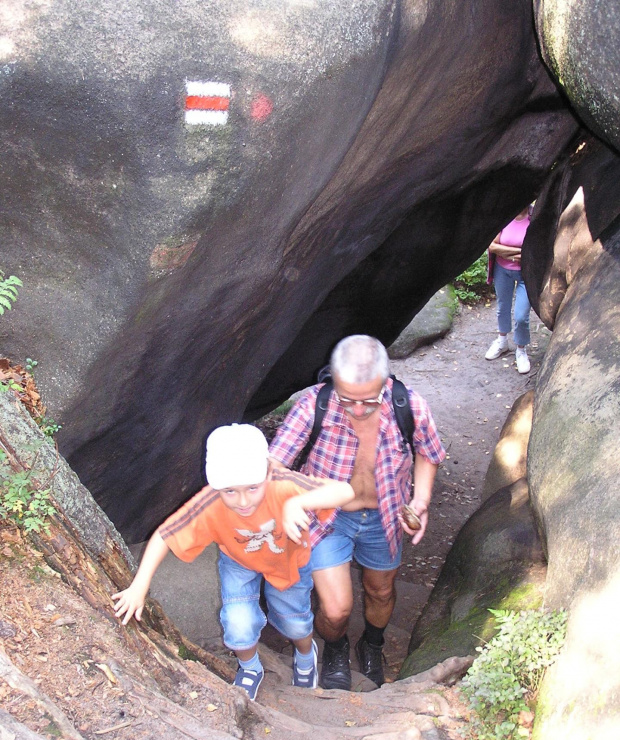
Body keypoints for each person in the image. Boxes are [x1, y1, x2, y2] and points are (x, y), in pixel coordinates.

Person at [112, 424, 355, 702]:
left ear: (266, 472)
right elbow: (164, 536)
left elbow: (345, 491)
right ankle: (250, 667)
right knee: (238, 625)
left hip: (287, 560)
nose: (242, 501)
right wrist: (139, 587)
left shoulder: (282, 484)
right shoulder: (210, 501)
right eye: (230, 491)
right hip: (240, 561)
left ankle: (304, 654)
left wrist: (296, 504)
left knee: (295, 623)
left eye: (252, 488)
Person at [269, 335, 445, 690]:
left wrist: (421, 499)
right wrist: (293, 500)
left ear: (386, 381)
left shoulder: (408, 405)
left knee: (380, 591)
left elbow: (428, 451)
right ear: (333, 380)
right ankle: (335, 647)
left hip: (386, 517)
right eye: (348, 399)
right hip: (328, 519)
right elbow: (273, 465)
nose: (359, 409)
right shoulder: (312, 405)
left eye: (369, 399)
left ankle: (372, 643)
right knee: (335, 610)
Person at [485, 206, 532, 374]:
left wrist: (505, 251)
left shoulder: (533, 218)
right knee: (502, 307)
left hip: (525, 274)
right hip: (501, 271)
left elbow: (532, 250)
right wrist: (518, 252)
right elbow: (492, 246)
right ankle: (502, 341)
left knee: (521, 316)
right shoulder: (504, 217)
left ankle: (521, 350)